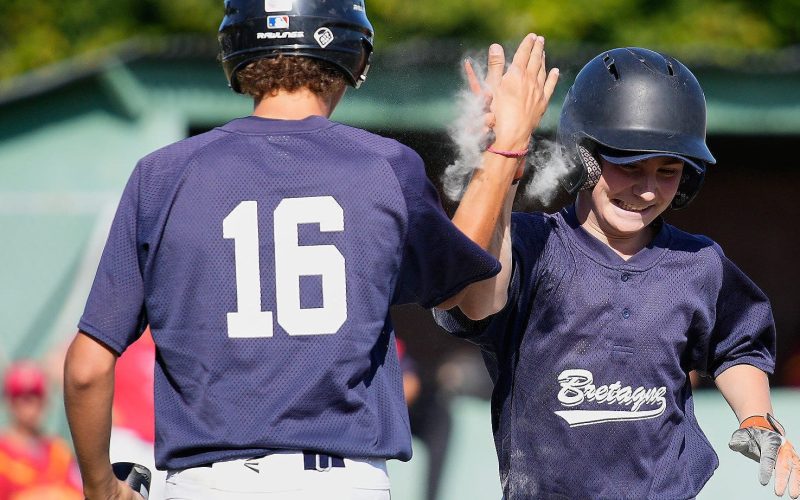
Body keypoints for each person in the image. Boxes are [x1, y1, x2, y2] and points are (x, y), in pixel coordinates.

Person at [61, 3, 550, 499]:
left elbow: (87, 369)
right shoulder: (383, 166)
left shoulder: (160, 176)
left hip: (207, 483)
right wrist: (506, 146)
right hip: (340, 481)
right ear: (351, 53)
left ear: (238, 51)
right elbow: (461, 283)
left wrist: (103, 488)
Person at [435, 46, 800, 498]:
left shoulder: (698, 262)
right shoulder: (534, 245)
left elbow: (736, 347)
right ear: (586, 158)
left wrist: (756, 416)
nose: (647, 190)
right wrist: (503, 154)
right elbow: (475, 298)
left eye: (668, 171)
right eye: (629, 167)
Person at [0, 361, 82, 499]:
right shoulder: (3, 453)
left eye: (36, 397)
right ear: (10, 402)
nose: (31, 407)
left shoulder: (58, 451)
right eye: (23, 398)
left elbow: (76, 494)